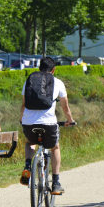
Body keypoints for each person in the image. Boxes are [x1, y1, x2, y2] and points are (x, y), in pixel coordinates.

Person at [19, 57, 75, 195]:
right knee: (55, 147)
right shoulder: (58, 83)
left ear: (39, 68)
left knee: (30, 142)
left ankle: (27, 165)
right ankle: (56, 183)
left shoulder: (29, 81)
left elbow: (24, 104)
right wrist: (70, 120)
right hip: (49, 123)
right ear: (53, 70)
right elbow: (65, 107)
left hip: (29, 122)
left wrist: (22, 120)